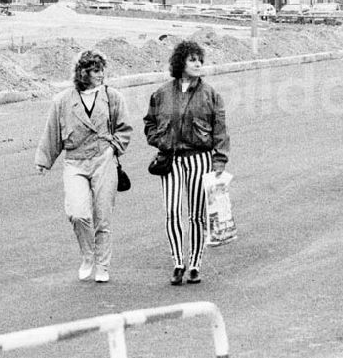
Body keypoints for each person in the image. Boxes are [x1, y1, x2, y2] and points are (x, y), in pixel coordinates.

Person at [35, 50, 132, 284]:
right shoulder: (62, 101)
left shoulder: (112, 97)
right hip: (75, 160)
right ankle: (88, 256)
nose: (101, 75)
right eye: (96, 70)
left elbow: (124, 128)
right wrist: (44, 160)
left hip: (103, 159)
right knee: (77, 214)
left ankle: (103, 264)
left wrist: (113, 148)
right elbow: (53, 133)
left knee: (103, 216)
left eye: (102, 70)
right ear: (83, 72)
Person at [144, 40, 230, 286]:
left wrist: (219, 161)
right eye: (192, 60)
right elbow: (149, 122)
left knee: (196, 215)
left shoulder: (211, 94)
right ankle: (178, 262)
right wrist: (159, 140)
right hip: (170, 159)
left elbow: (221, 130)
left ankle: (195, 264)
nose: (198, 64)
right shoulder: (161, 94)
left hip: (200, 158)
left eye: (200, 60)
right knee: (171, 211)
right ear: (180, 62)